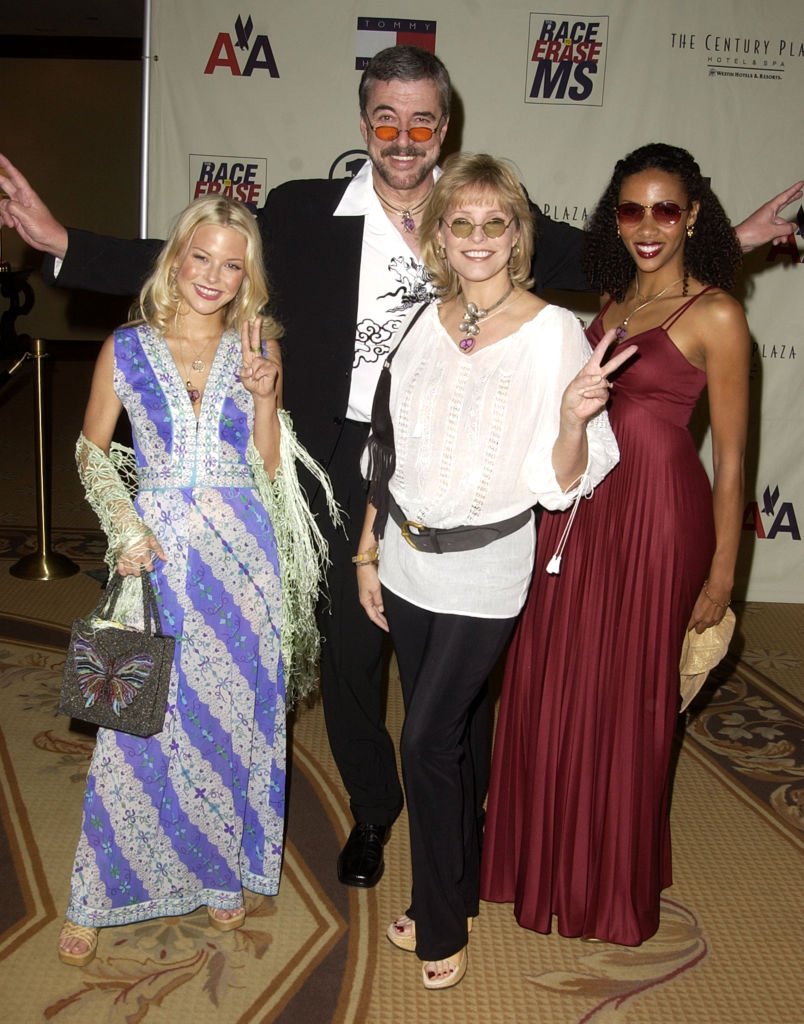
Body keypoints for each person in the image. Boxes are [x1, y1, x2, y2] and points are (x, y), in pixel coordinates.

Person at [0, 47, 800, 891]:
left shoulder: (485, 214)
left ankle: (470, 813)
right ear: (365, 127)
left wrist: (730, 239)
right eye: (388, 119)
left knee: (465, 658)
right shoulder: (307, 213)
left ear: (444, 128)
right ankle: (375, 809)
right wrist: (62, 243)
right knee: (350, 657)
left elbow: (622, 257)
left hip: (466, 468)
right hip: (343, 460)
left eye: (423, 121)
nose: (405, 137)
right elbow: (199, 257)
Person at [355, 153, 634, 989]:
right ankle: (460, 884)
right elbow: (385, 446)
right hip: (404, 561)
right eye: (461, 222)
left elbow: (566, 478)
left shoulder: (553, 332)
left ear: (519, 236)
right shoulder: (424, 319)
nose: (477, 238)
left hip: (487, 570)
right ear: (440, 234)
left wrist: (578, 416)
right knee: (447, 743)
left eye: (495, 223)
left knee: (429, 738)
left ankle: (439, 920)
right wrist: (369, 550)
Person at [480, 143, 750, 947]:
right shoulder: (608, 302)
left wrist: (722, 576)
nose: (647, 226)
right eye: (631, 209)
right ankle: (544, 861)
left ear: (693, 215)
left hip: (657, 522)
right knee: (553, 681)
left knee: (629, 699)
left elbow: (734, 461)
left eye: (666, 209)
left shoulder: (717, 315)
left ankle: (609, 882)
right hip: (578, 515)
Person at [57, 195, 333, 967]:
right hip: (158, 558)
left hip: (243, 564)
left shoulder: (260, 345)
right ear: (176, 257)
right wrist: (124, 525)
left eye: (232, 264)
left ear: (250, 275)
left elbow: (274, 473)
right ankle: (99, 893)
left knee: (226, 723)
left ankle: (217, 872)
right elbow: (90, 450)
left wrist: (269, 397)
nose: (213, 276)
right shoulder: (128, 345)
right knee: (137, 722)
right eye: (201, 257)